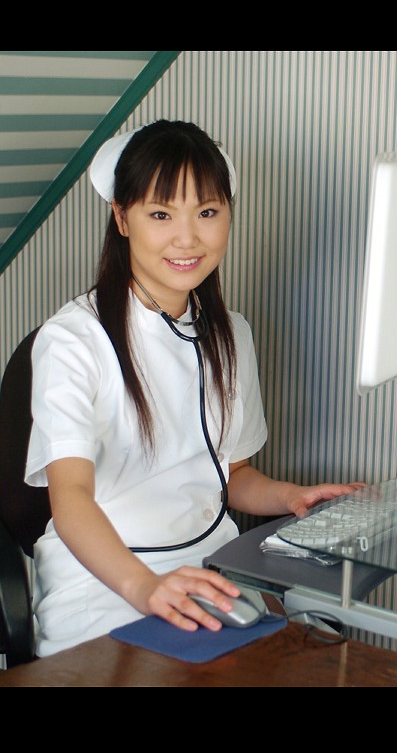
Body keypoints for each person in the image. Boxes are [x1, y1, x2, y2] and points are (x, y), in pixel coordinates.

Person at [24, 120, 362, 657]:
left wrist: (290, 497)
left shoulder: (233, 334)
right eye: (161, 215)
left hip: (210, 570)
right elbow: (70, 499)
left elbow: (231, 476)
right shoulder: (72, 340)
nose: (187, 238)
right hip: (105, 580)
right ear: (122, 218)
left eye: (207, 213)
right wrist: (144, 588)